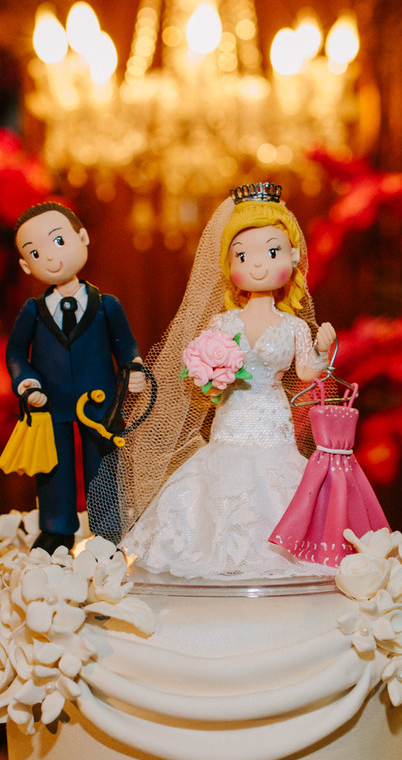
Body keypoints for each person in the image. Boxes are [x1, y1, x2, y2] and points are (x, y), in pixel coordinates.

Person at [110, 184, 337, 579]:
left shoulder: (295, 326)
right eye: (243, 256)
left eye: (272, 252)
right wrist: (209, 380)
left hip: (271, 421)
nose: (259, 266)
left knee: (275, 482)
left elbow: (305, 375)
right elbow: (205, 379)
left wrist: (322, 349)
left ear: (294, 257)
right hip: (231, 420)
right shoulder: (223, 323)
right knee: (220, 479)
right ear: (229, 264)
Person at [6, 202, 144, 554]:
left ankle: (108, 527)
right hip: (50, 403)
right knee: (52, 468)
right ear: (25, 265)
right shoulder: (33, 311)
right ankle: (56, 528)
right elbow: (17, 353)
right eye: (36, 252)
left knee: (103, 465)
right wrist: (27, 383)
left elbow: (125, 347)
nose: (50, 258)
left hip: (100, 404)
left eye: (59, 242)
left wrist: (134, 369)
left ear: (82, 237)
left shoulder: (107, 304)